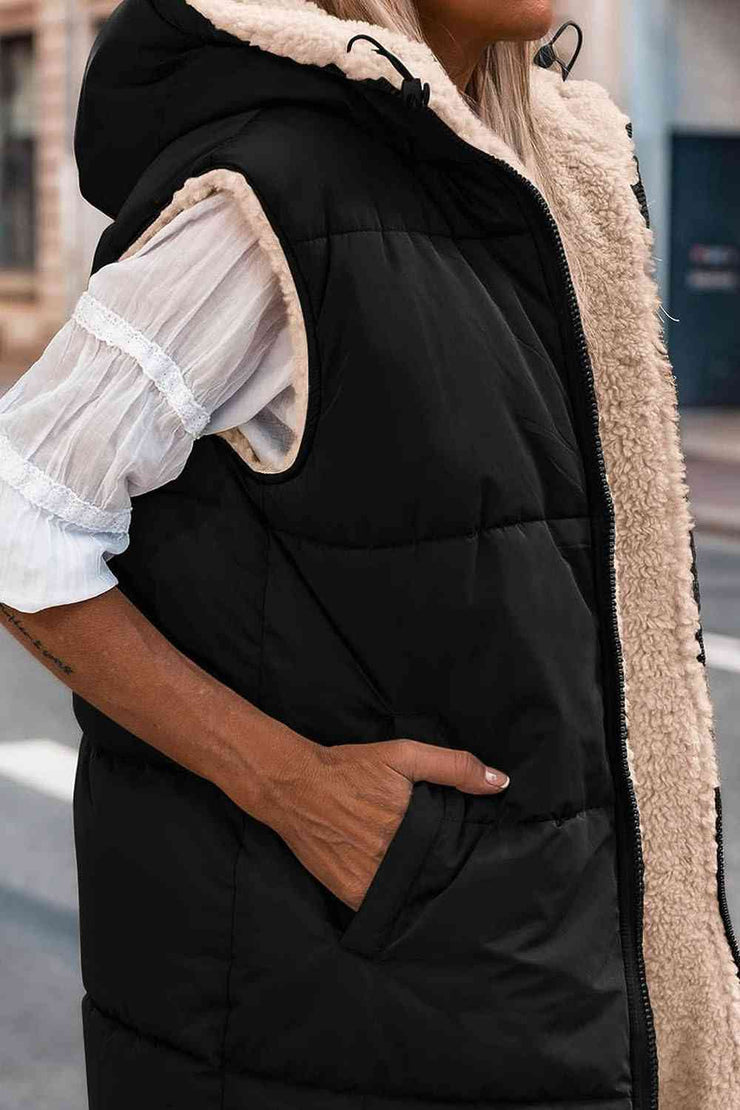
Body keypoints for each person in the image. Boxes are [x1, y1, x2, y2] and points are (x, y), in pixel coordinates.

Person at [1, 0, 738, 1106]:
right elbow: (19, 510)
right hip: (350, 1006)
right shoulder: (273, 195)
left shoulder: (536, 186)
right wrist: (289, 784)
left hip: (530, 978)